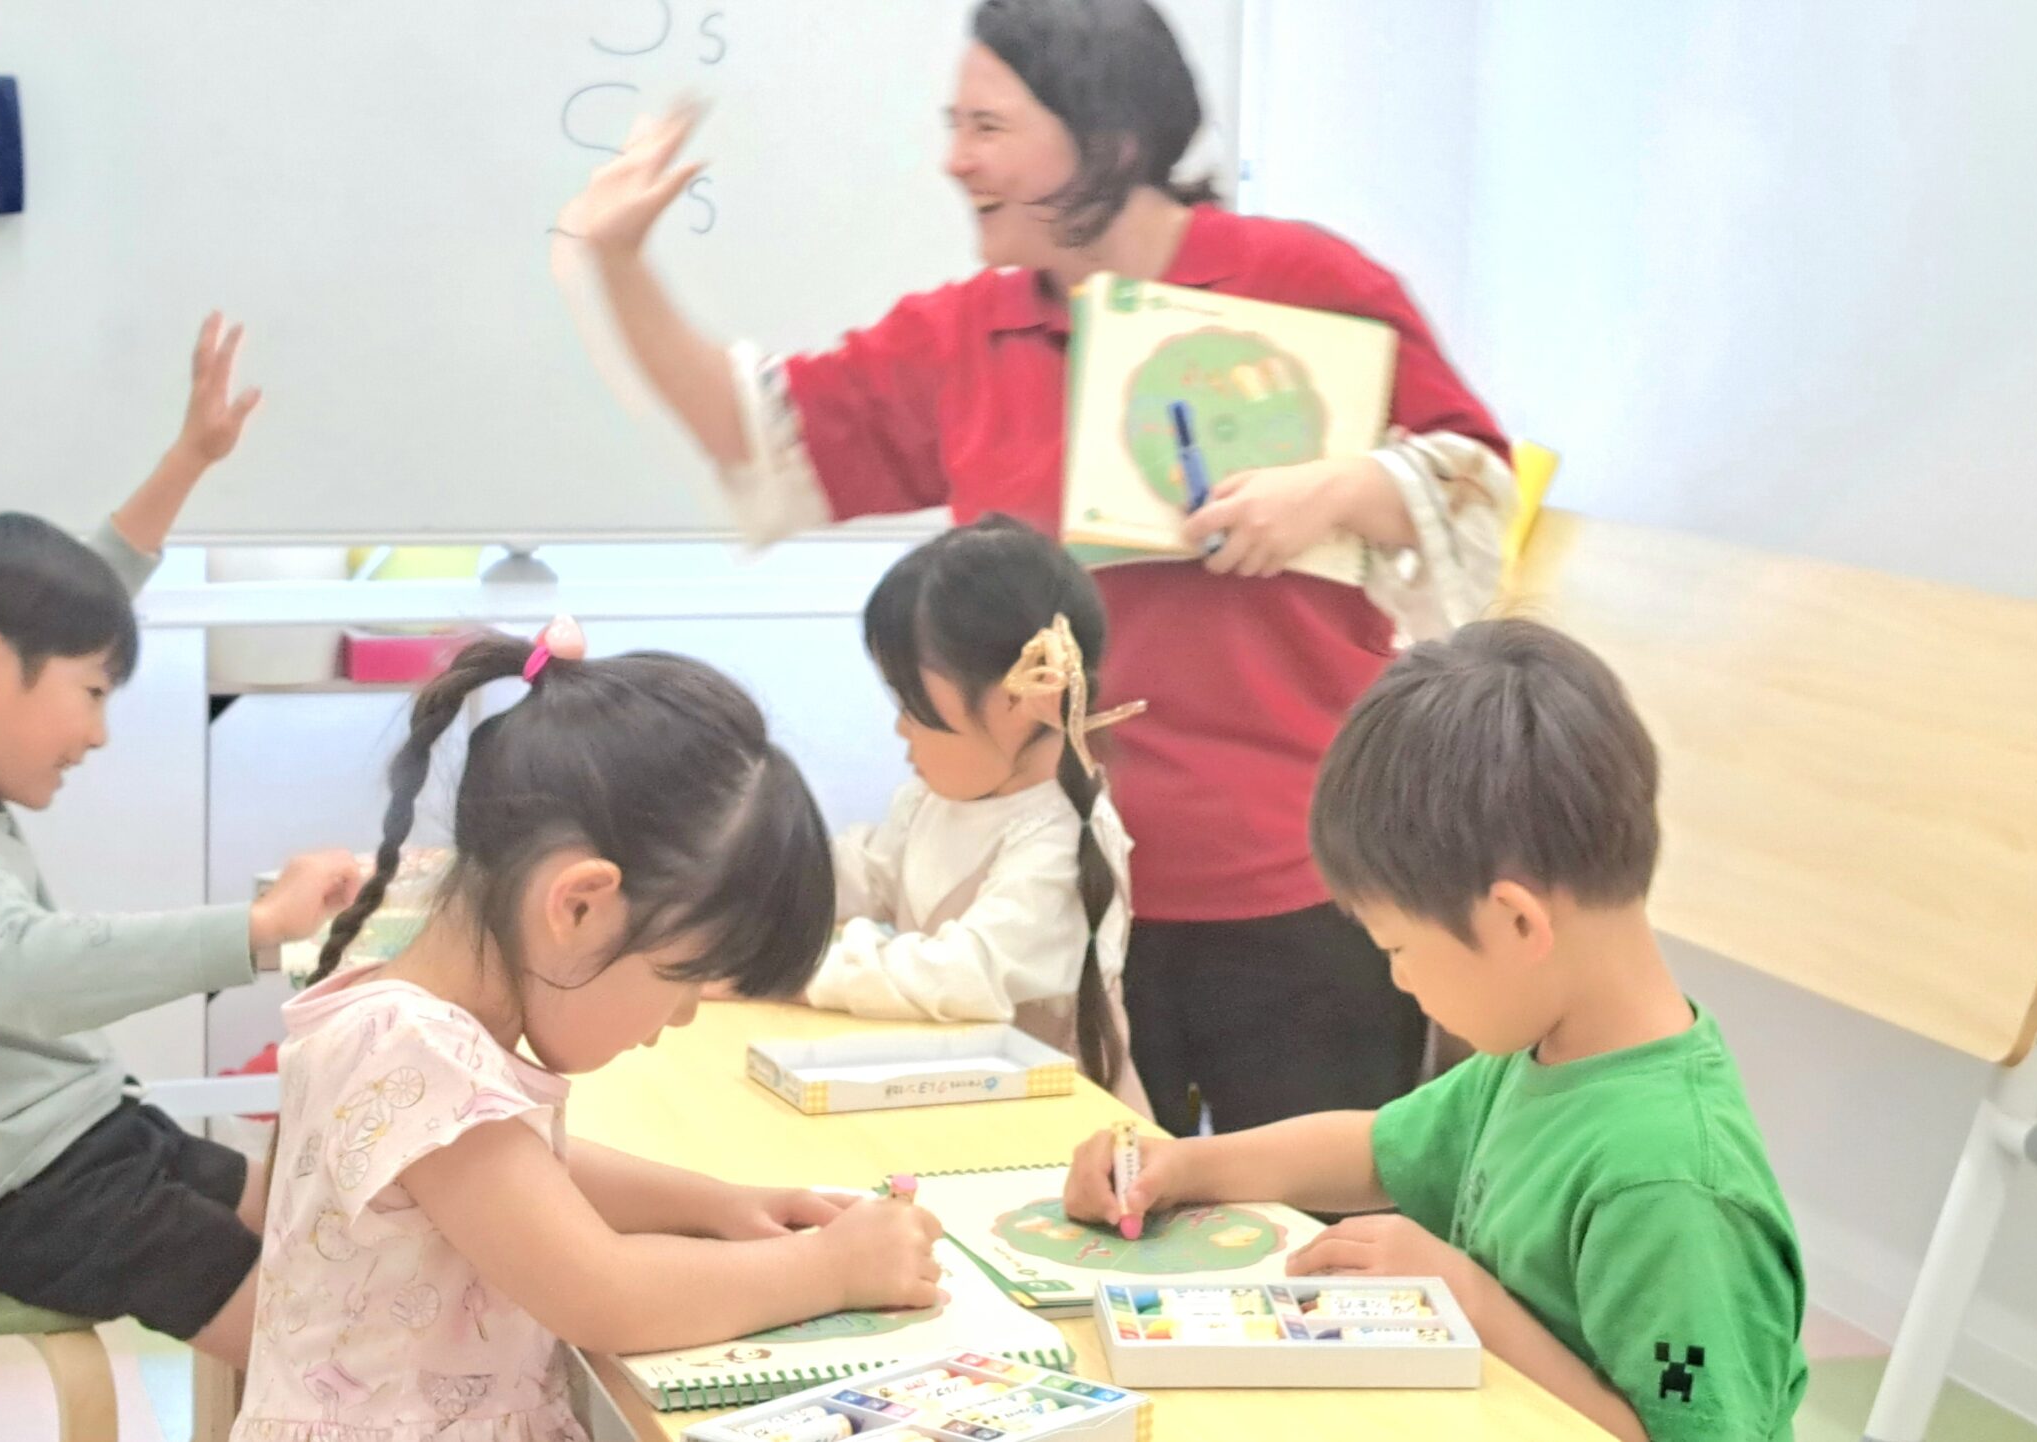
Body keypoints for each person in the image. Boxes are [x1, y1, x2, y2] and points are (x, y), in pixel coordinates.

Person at [560, 0, 1515, 1133]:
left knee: (1322, 1220)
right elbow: (759, 434)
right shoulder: (965, 335)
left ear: (1107, 137)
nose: (955, 160)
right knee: (1097, 1209)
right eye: (954, 126)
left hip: (1301, 887)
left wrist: (1337, 487)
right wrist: (619, 264)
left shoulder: (1299, 279)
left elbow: (1475, 486)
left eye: (988, 127)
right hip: (1064, 898)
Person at [0, 315, 365, 1366]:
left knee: (298, 1211)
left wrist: (188, 460)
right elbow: (35, 974)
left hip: (78, 1139)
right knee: (315, 1342)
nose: (97, 733)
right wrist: (255, 927)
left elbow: (79, 594)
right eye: (92, 694)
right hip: (12, 1196)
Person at [1061, 621, 1810, 1441]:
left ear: (1516, 922)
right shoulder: (1543, 1053)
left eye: (1398, 949)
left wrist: (1470, 1302)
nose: (1399, 980)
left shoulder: (1670, 1187)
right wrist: (1185, 1166)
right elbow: (1377, 1148)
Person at [236, 624, 943, 1440]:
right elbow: (603, 1293)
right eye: (681, 979)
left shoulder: (406, 1022)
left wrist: (718, 1206)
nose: (681, 1018)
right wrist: (829, 1269)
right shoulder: (413, 1048)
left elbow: (526, 1164)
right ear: (578, 905)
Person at [801, 515, 1148, 1112]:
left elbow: (965, 975)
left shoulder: (1064, 839)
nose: (900, 728)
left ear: (1022, 697)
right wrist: (749, 898)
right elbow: (861, 874)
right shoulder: (937, 800)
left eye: (913, 705)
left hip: (1057, 1128)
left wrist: (794, 972)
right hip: (955, 1097)